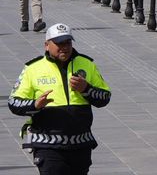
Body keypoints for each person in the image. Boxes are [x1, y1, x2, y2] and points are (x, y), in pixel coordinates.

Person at [8, 23, 111, 175]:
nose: (65, 47)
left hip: (80, 145)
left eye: (68, 42)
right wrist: (35, 104)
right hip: (47, 146)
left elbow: (105, 98)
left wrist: (86, 89)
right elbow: (13, 102)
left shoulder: (86, 64)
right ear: (47, 45)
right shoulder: (33, 68)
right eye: (59, 43)